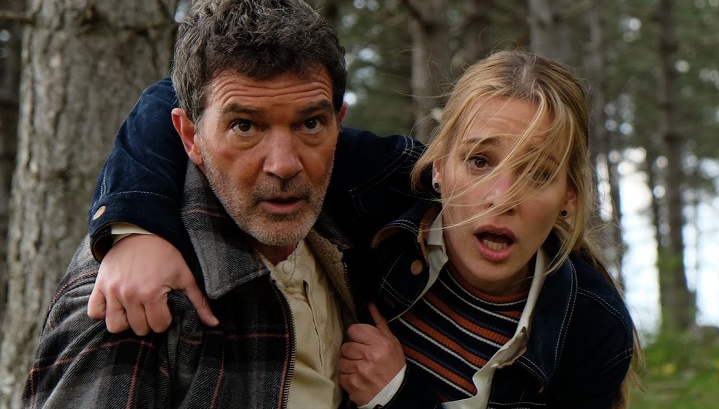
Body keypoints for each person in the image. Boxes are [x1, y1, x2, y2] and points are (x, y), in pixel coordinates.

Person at [69, 47, 642, 408]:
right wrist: (134, 230)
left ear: (569, 198)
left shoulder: (590, 326)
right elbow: (183, 97)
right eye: (479, 160)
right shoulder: (382, 184)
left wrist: (397, 394)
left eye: (537, 173)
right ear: (438, 166)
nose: (502, 196)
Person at [23, 0, 416, 407]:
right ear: (189, 136)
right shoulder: (132, 304)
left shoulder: (359, 234)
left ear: (339, 123)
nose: (284, 165)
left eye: (311, 123)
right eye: (245, 126)